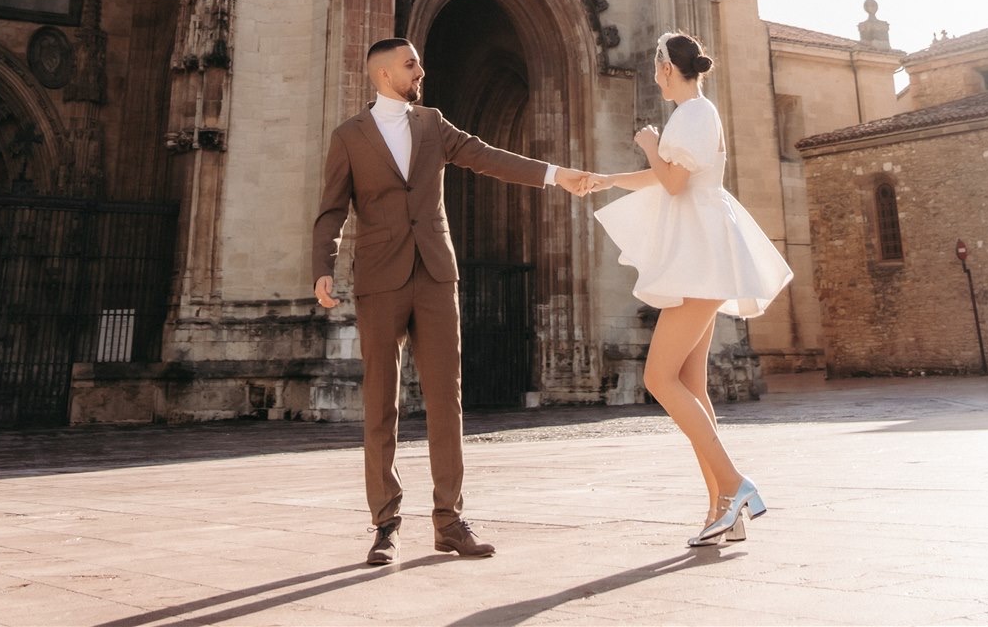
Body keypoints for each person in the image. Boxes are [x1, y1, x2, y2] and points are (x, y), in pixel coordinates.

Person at [312, 35, 589, 565]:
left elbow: (487, 157)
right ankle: (385, 524)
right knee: (380, 405)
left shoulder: (433, 123)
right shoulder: (349, 136)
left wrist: (556, 175)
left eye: (418, 62)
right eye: (410, 64)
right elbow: (331, 210)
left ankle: (450, 521)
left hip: (436, 275)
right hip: (378, 277)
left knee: (446, 400)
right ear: (383, 74)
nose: (421, 70)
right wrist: (322, 268)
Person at [586, 28, 792, 548]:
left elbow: (673, 181)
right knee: (692, 386)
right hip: (699, 252)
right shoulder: (693, 116)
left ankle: (735, 485)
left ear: (664, 69)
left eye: (656, 66)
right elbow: (664, 178)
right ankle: (723, 508)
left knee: (658, 377)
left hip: (700, 257)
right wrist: (610, 177)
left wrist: (650, 143)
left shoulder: (695, 114)